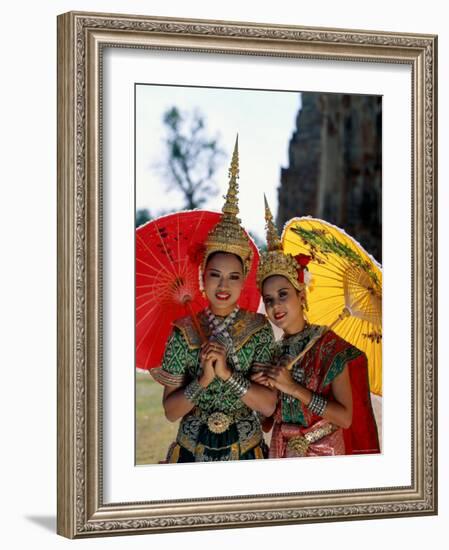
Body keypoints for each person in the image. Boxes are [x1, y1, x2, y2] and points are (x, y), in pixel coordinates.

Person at [152, 140, 276, 462]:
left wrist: (228, 376)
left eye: (234, 277)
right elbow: (170, 411)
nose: (224, 285)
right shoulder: (182, 331)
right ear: (202, 277)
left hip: (246, 452)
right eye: (215, 275)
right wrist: (204, 379)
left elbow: (267, 405)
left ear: (244, 280)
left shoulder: (258, 328)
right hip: (191, 453)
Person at [252, 198, 380, 458]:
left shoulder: (331, 346)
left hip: (325, 453)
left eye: (283, 294)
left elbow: (344, 417)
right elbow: (267, 422)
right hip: (281, 452)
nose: (276, 305)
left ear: (301, 296)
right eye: (269, 300)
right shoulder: (272, 352)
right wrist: (263, 390)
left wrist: (294, 388)